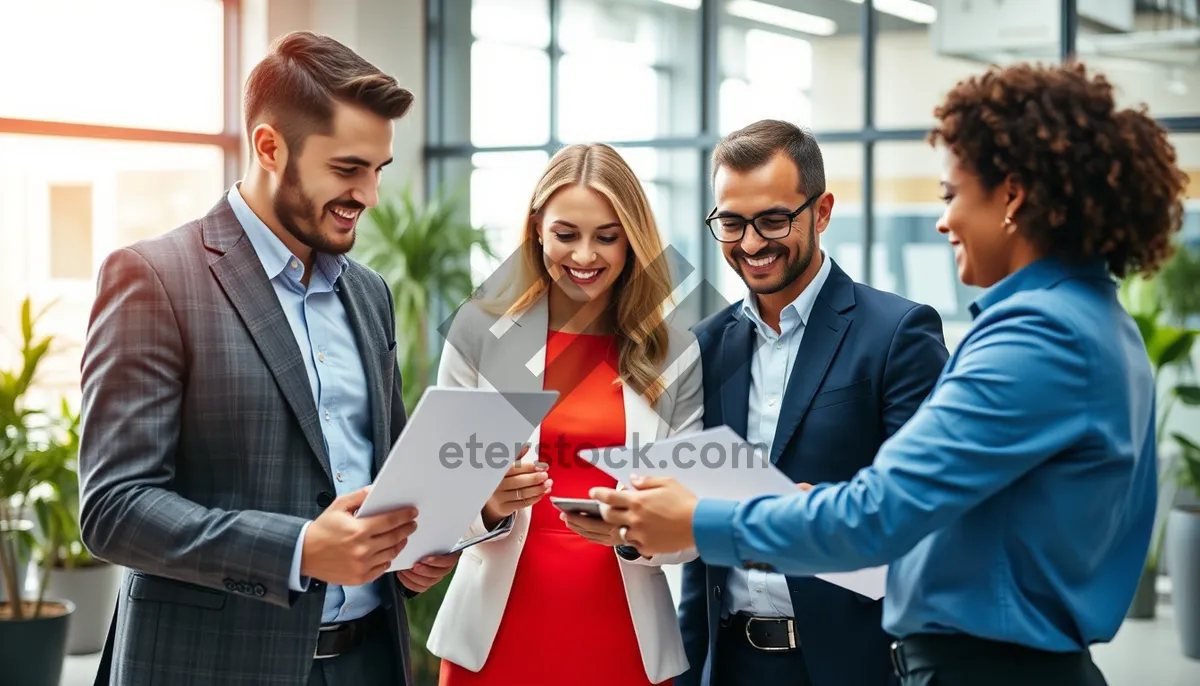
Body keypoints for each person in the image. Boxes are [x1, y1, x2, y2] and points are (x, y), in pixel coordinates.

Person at [592, 62, 1188, 686]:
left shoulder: (1039, 335)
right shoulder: (1091, 319)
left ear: (1011, 196)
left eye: (951, 195)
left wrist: (697, 521)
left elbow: (881, 515)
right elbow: (933, 502)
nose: (942, 221)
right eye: (733, 223)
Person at [77, 31, 456, 686]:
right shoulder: (154, 277)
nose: (369, 194)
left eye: (377, 170)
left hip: (367, 661)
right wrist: (301, 550)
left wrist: (417, 545)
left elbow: (383, 475)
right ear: (269, 146)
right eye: (346, 169)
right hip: (212, 668)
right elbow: (115, 508)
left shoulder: (368, 293)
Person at [632, 119, 947, 686]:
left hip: (851, 665)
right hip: (727, 662)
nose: (751, 243)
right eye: (731, 222)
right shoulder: (705, 344)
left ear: (821, 212)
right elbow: (701, 547)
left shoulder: (898, 333)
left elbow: (925, 521)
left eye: (774, 219)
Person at [425, 143, 705, 686]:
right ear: (536, 229)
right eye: (566, 234)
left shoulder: (675, 351)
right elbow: (433, 494)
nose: (584, 256)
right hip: (495, 633)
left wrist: (635, 529)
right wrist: (485, 505)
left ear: (633, 239)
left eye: (607, 236)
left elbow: (691, 523)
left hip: (625, 632)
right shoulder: (478, 332)